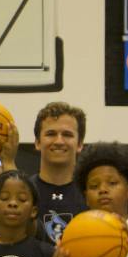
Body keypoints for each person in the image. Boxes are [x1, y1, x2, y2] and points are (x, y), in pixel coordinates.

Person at [27, 101, 88, 244]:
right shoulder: (25, 192)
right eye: (51, 134)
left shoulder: (91, 194)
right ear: (37, 142)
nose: (59, 141)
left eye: (67, 134)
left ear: (79, 144)